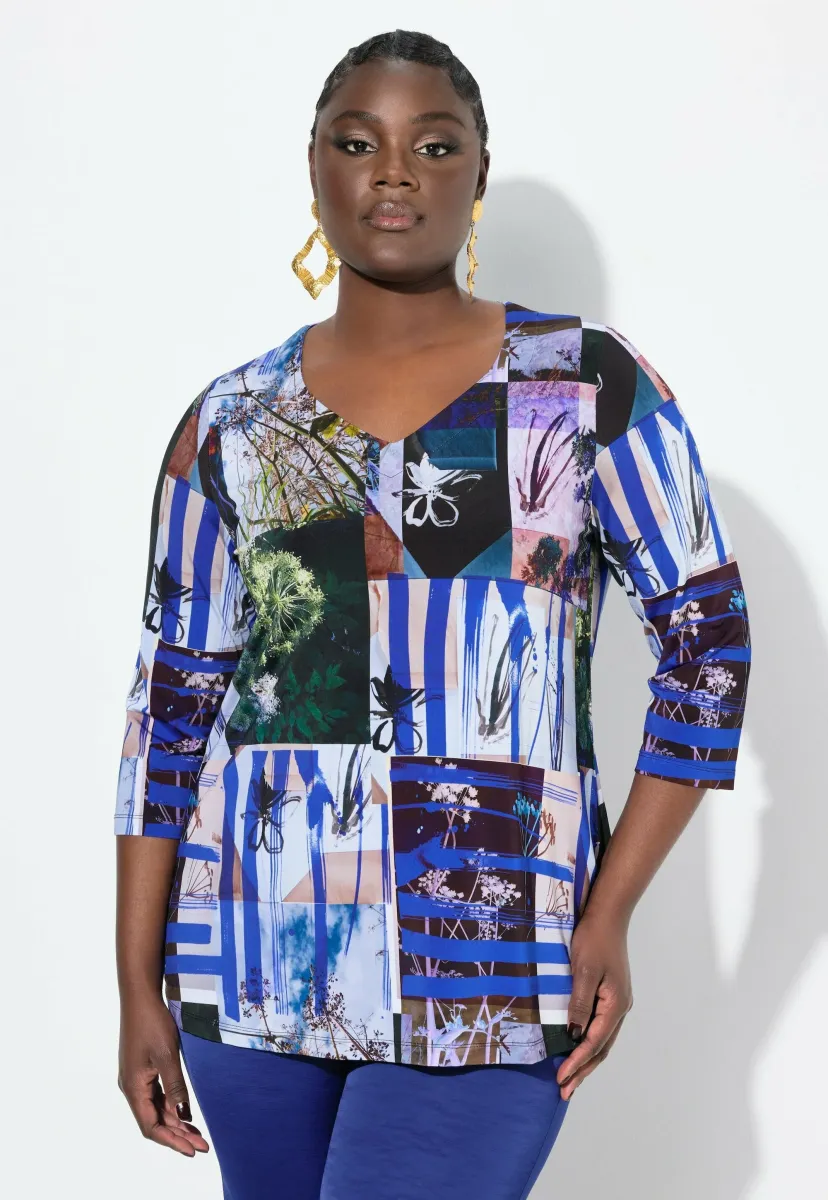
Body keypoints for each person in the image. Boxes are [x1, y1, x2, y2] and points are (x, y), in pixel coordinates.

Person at [114, 27, 752, 1200]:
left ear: (478, 173)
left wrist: (610, 910)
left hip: (496, 965)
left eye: (435, 145)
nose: (395, 171)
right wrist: (132, 987)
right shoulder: (233, 421)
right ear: (315, 169)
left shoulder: (584, 387)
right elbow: (169, 707)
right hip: (252, 965)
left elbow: (708, 645)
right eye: (359, 143)